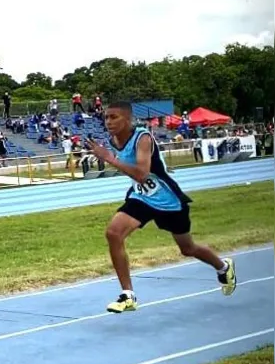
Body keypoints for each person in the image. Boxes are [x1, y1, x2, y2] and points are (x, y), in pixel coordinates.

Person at [87, 101, 236, 313]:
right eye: (106, 117)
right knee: (113, 233)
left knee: (187, 248)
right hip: (142, 198)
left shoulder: (143, 138)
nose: (108, 121)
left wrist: (109, 159)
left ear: (128, 119)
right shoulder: (112, 141)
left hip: (168, 200)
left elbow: (141, 174)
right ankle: (127, 295)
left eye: (114, 117)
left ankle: (223, 267)